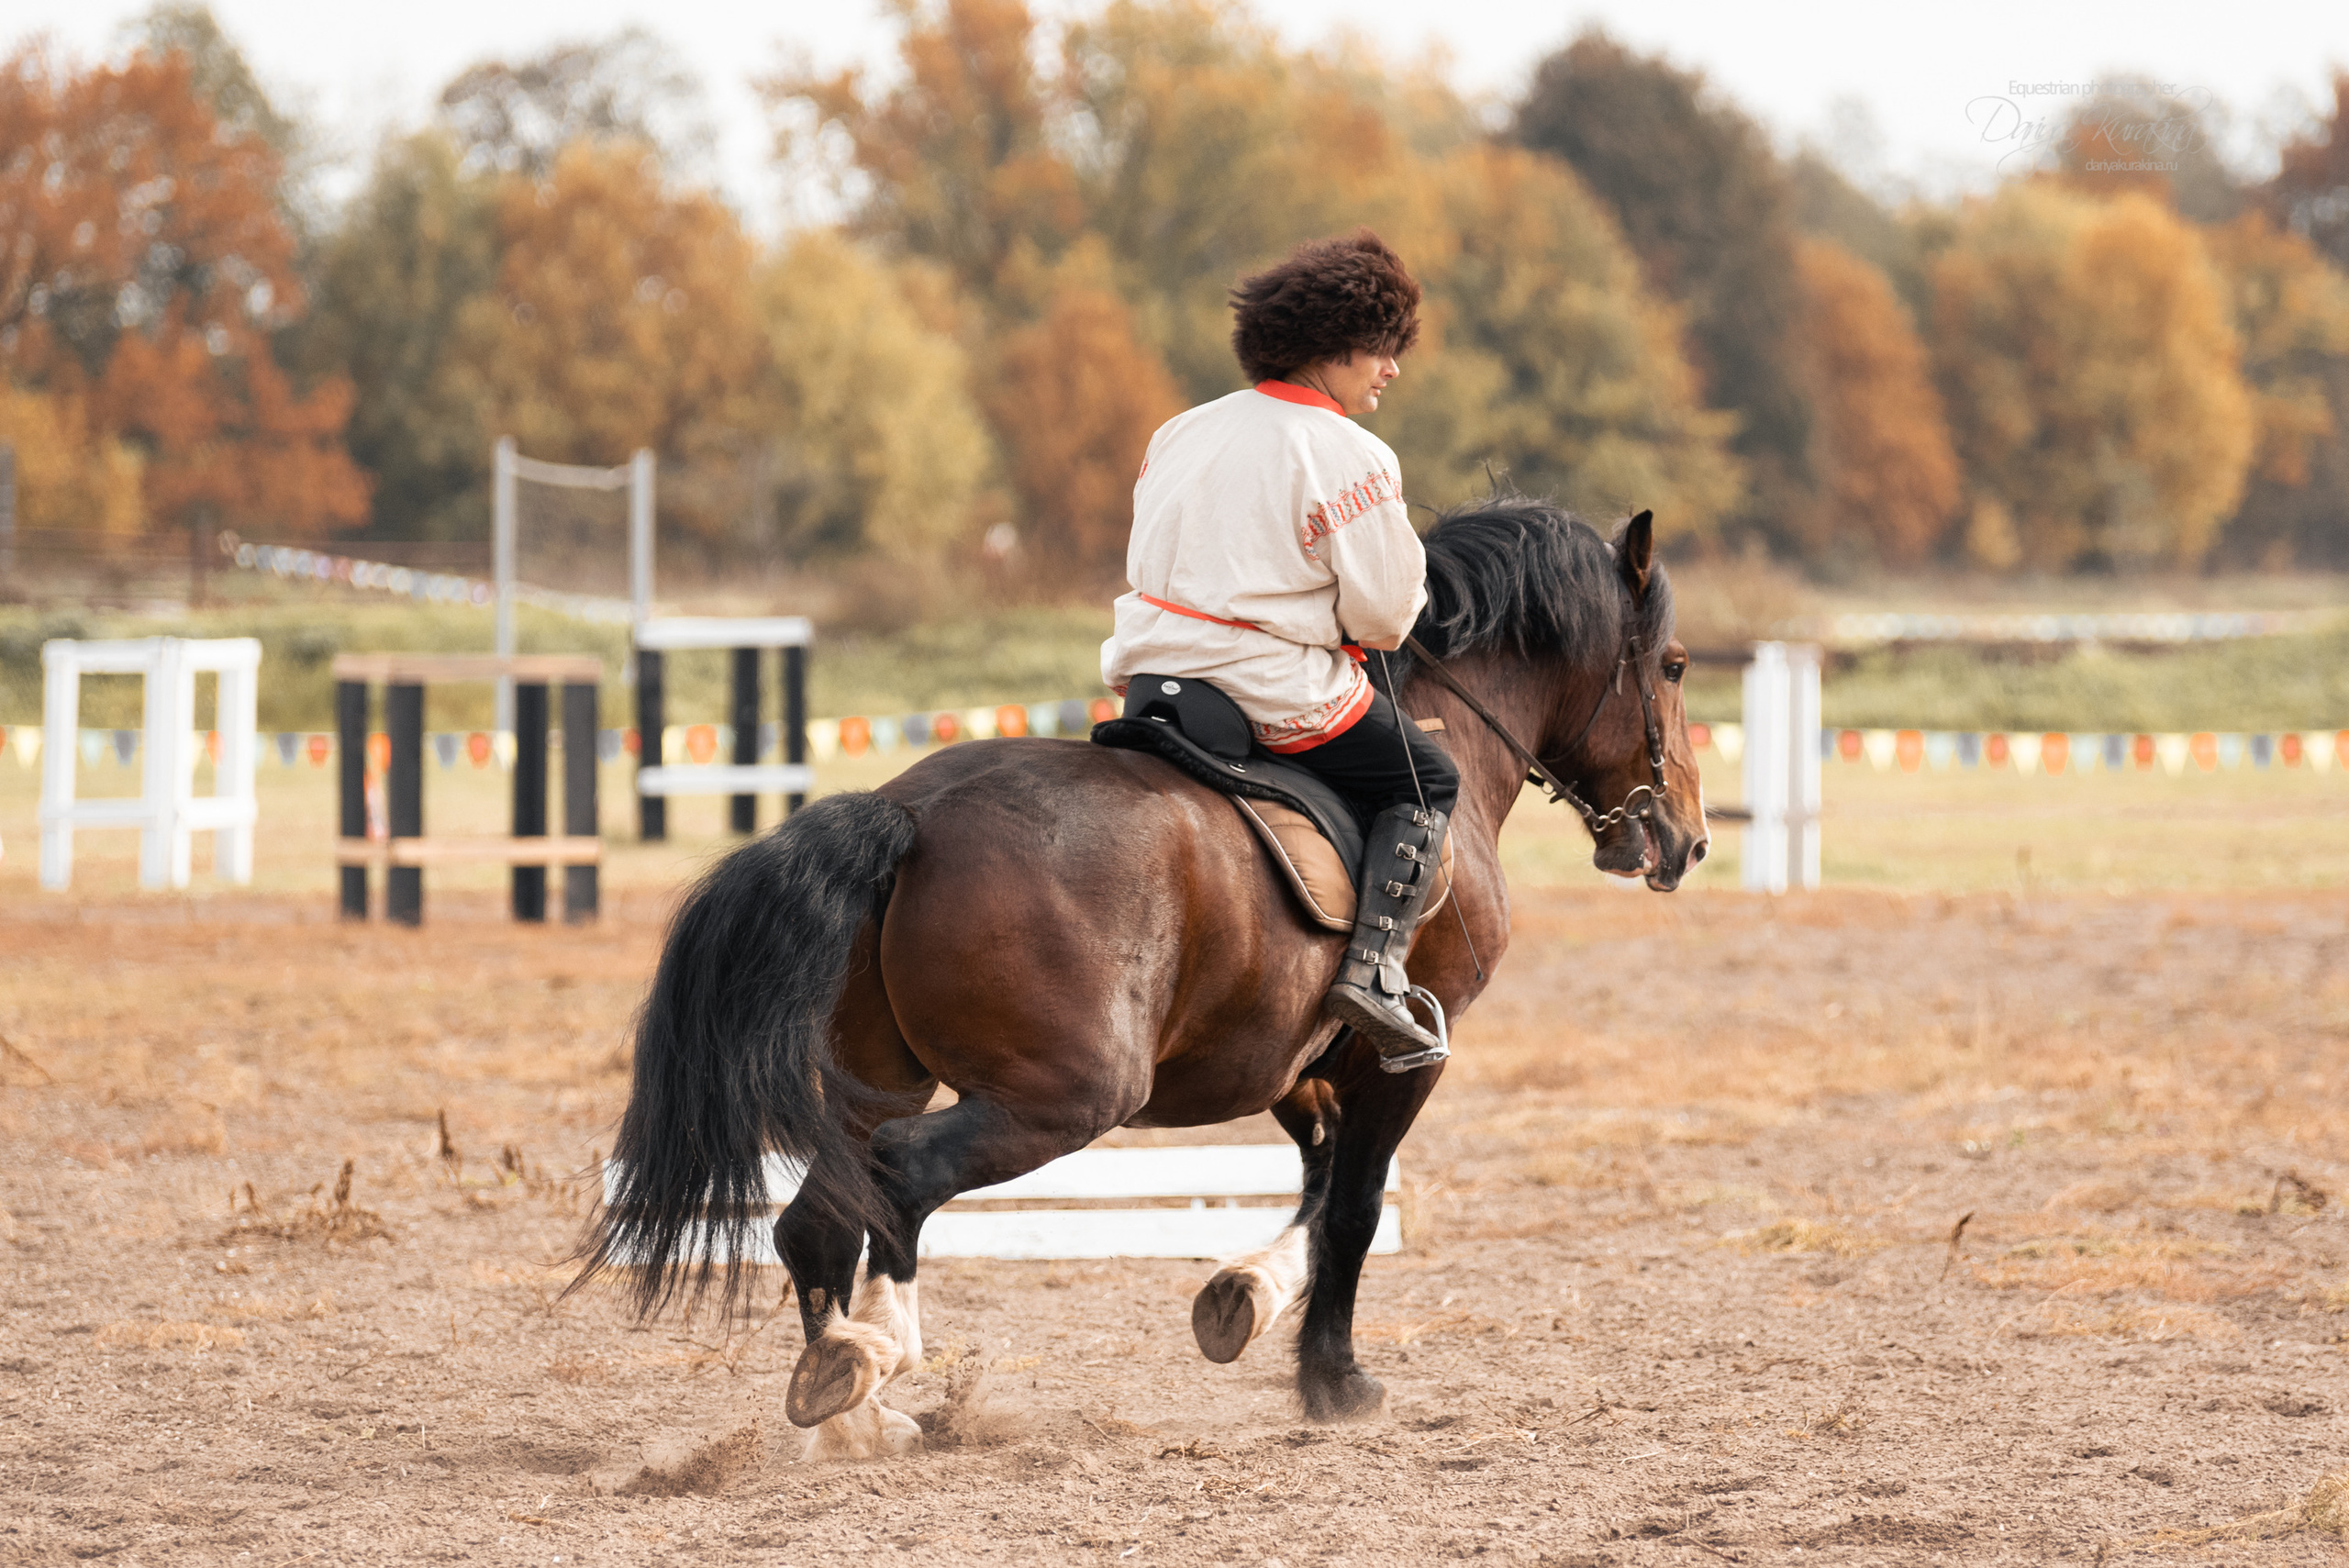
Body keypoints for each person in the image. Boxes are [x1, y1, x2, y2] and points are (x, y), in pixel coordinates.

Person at [1101, 229, 1460, 1071]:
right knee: (1430, 776)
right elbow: (1382, 615)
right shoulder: (1351, 454)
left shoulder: (1180, 430)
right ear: (1333, 347)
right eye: (1381, 347)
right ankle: (1372, 974)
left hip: (1152, 675)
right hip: (1268, 689)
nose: (1392, 368)